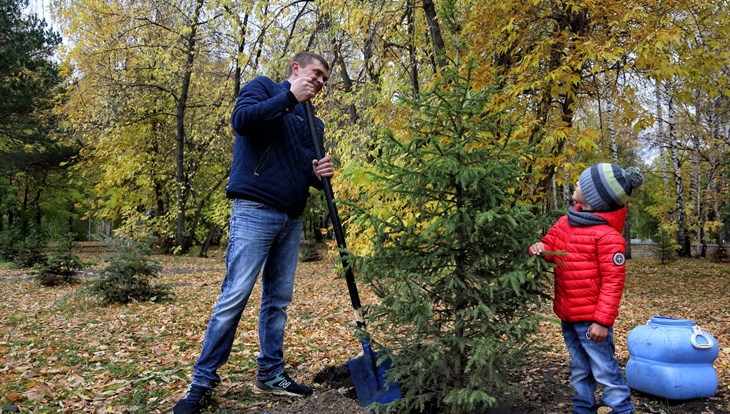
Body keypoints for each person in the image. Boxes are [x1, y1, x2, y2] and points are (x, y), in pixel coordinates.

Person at [174, 51, 333, 414]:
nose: (321, 81)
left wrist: (318, 171)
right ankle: (201, 383)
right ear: (296, 69)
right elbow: (242, 121)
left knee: (278, 302)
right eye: (317, 73)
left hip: (291, 217)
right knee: (235, 296)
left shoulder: (313, 120)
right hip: (254, 209)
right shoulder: (262, 88)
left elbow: (304, 171)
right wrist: (290, 97)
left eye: (325, 78)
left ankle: (271, 374)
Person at [528, 163, 643, 414]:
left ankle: (621, 409)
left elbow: (613, 284)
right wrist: (539, 247)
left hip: (592, 322)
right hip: (567, 315)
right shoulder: (565, 222)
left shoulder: (608, 237)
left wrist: (602, 322)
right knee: (579, 367)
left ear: (593, 197)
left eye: (581, 184)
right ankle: (583, 408)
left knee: (604, 368)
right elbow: (551, 248)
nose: (577, 185)